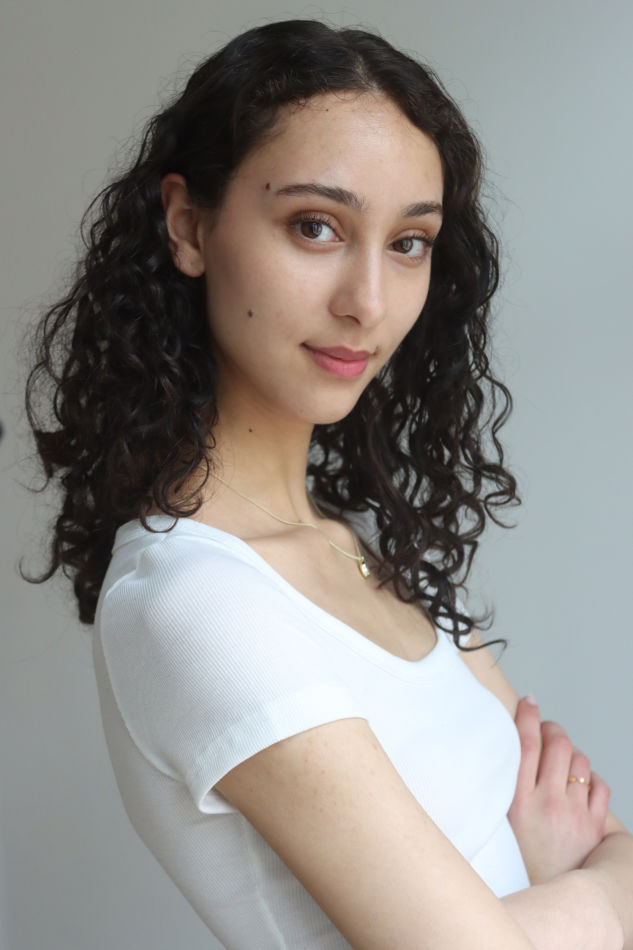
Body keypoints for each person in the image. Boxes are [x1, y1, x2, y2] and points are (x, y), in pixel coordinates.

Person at [24, 18, 633, 950]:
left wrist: (577, 883)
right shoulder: (191, 602)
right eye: (315, 227)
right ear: (188, 224)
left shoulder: (360, 551)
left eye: (409, 242)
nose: (367, 302)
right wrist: (599, 889)